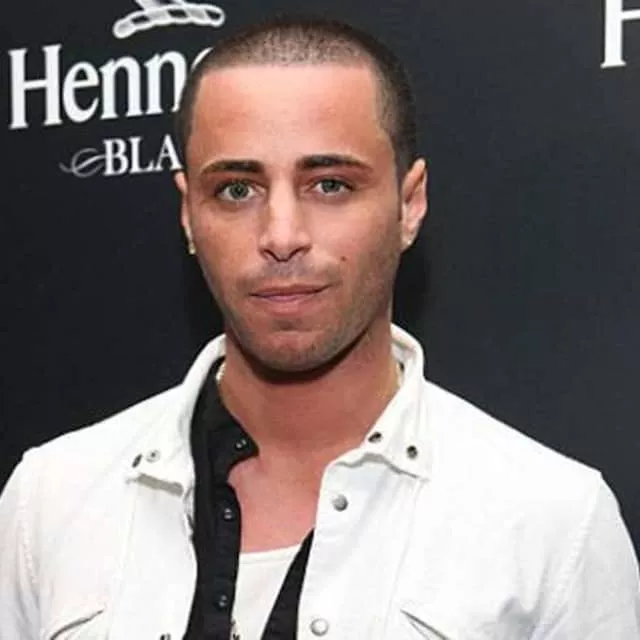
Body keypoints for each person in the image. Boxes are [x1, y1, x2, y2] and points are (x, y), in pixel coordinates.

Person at [1, 16, 639, 640]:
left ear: (409, 203)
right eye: (236, 190)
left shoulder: (553, 523)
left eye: (330, 184)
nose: (281, 236)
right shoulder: (51, 500)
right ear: (189, 214)